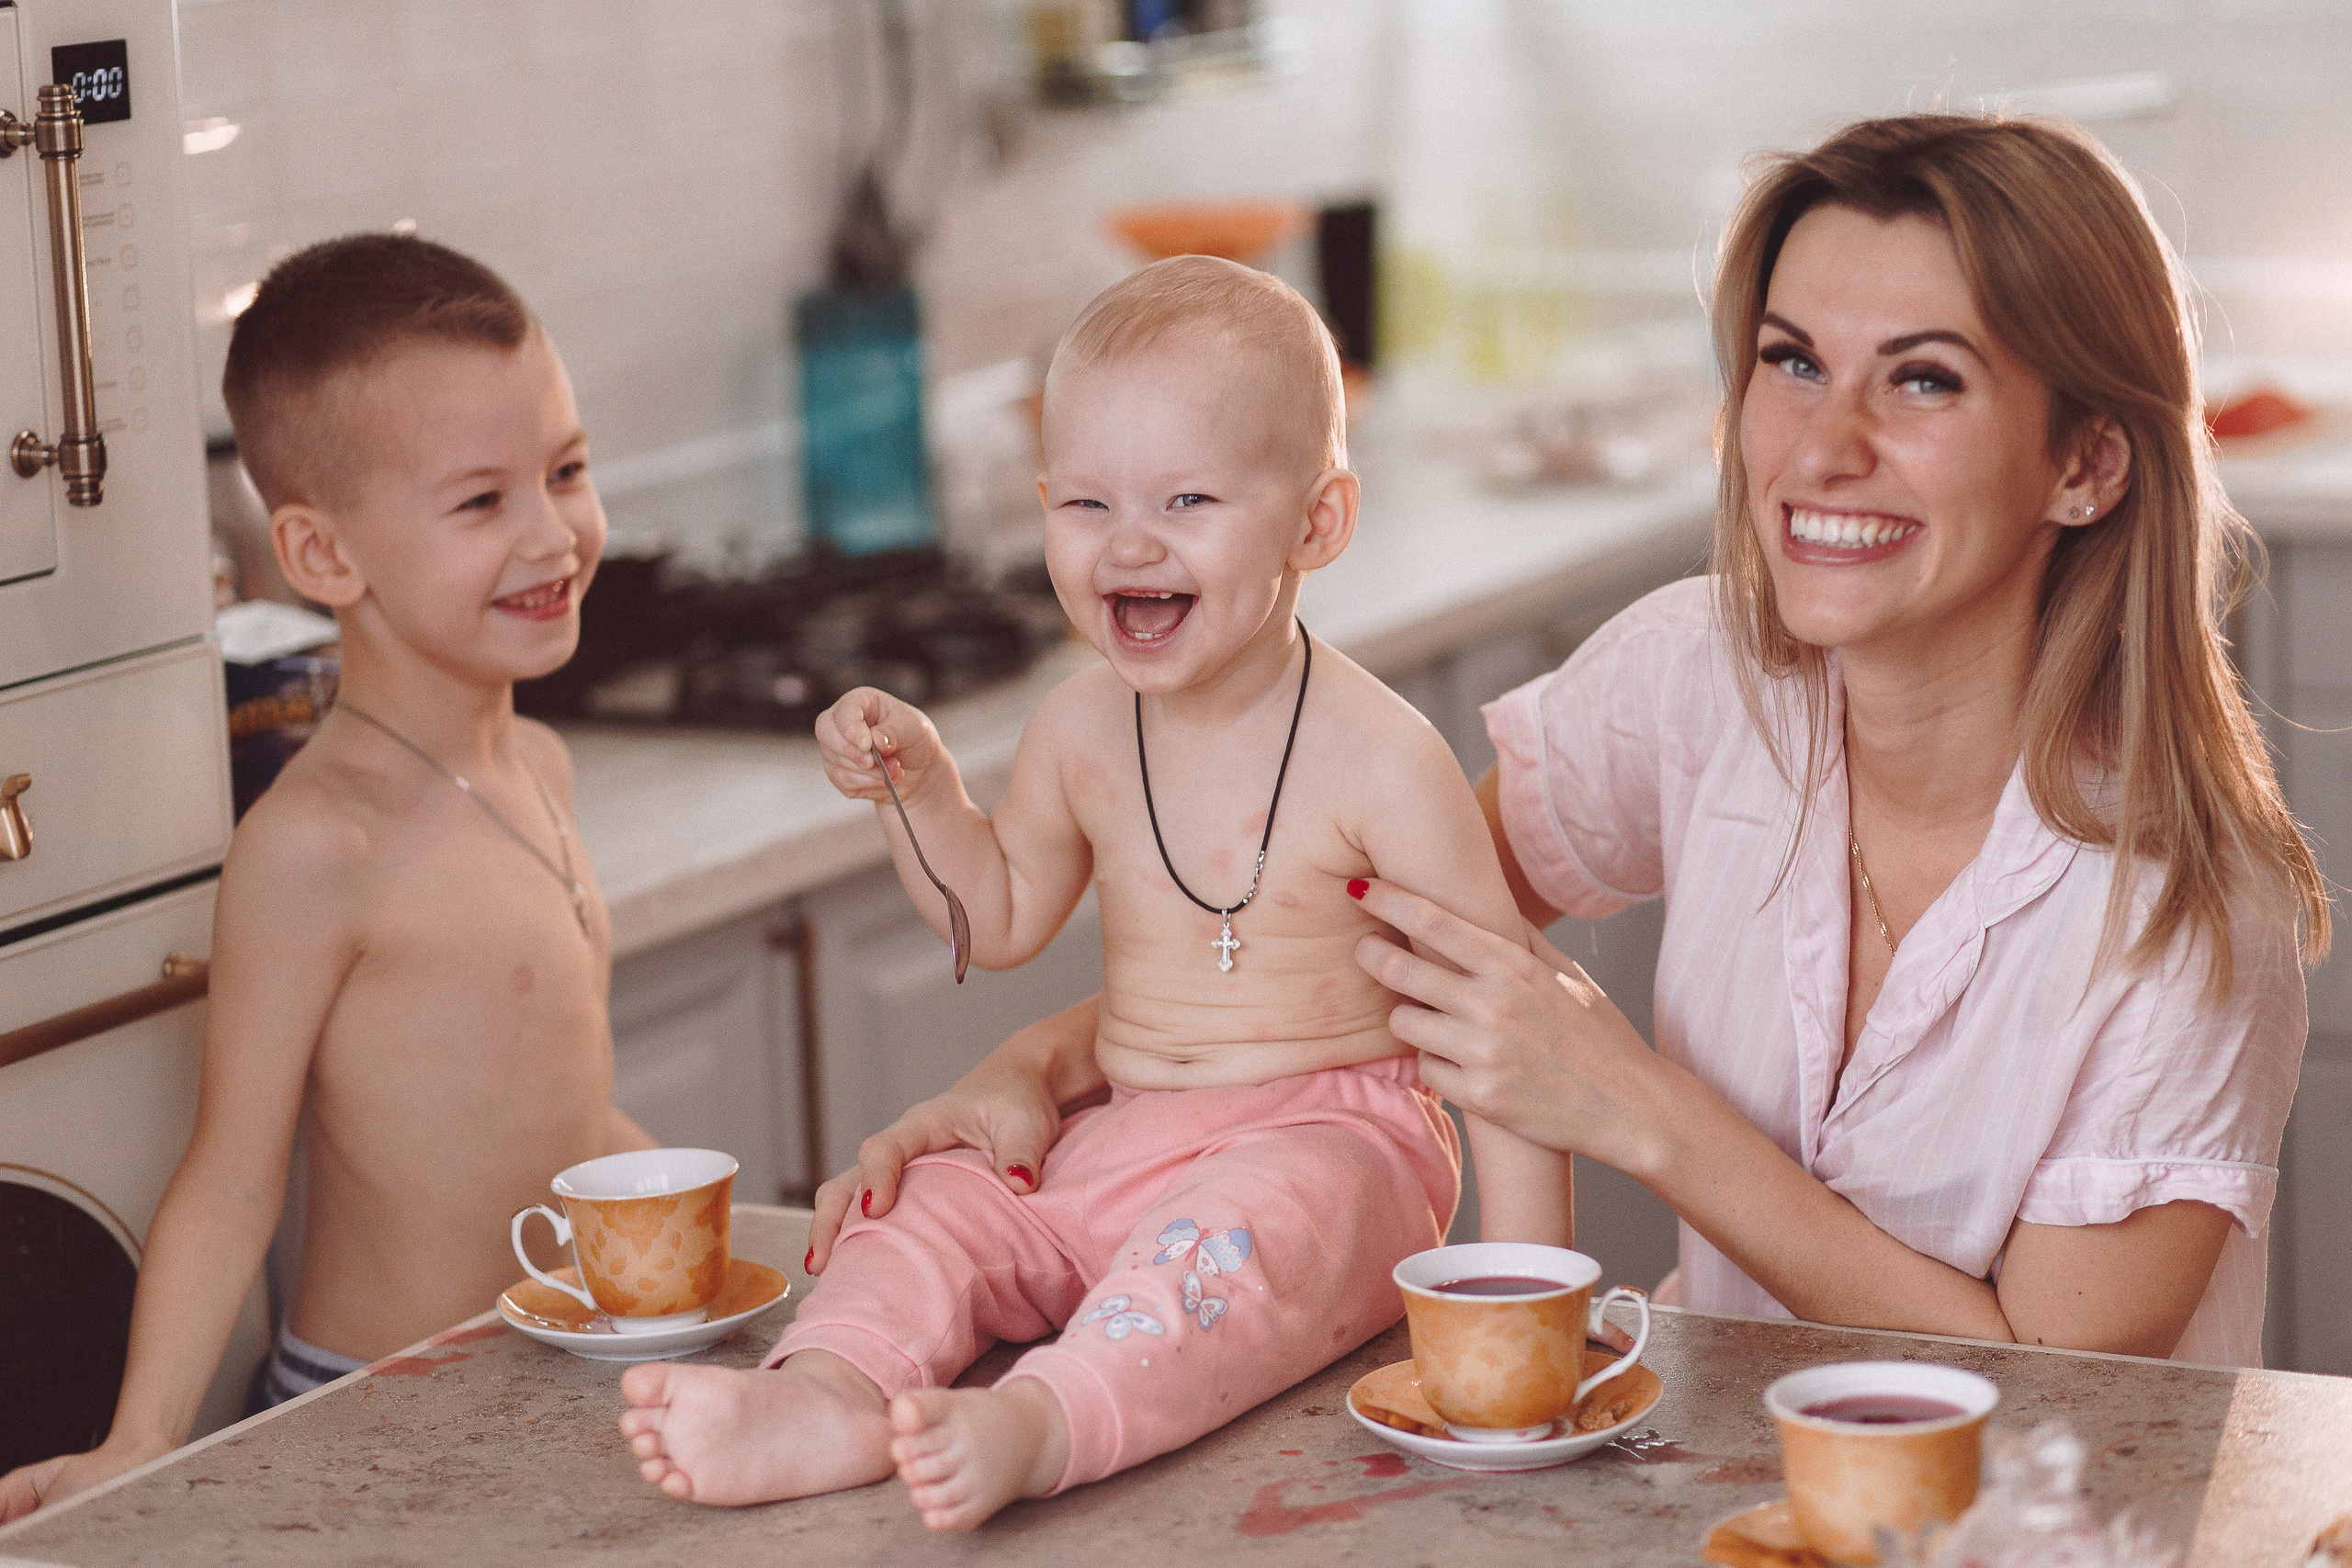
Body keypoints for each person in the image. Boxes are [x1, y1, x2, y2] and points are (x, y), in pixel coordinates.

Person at [806, 115, 2325, 1371]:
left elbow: (2060, 1383)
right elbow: (1357, 952)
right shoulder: (1696, 681)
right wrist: (1040, 1063)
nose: (1822, 444)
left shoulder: (2188, 919)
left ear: (2086, 462)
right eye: (1793, 360)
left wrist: (1640, 1110)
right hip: (1732, 1500)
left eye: (1922, 377)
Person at [616, 256, 1570, 1530]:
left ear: (1317, 523)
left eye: (1189, 499)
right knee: (938, 1202)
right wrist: (920, 791)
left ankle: (1042, 1423)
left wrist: (1525, 1310)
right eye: (1085, 502)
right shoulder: (1078, 727)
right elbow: (998, 916)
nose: (1128, 543)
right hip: (1126, 1133)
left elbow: (1506, 1033)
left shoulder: (1383, 759)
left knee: (1227, 1247)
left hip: (1335, 1147)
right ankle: (829, 1394)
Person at [0, 233, 654, 1520]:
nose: (553, 532)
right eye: (482, 502)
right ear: (320, 556)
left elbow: (553, 1115)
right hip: (380, 1411)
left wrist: (747, 1222)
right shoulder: (317, 845)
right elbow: (230, 1180)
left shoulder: (542, 765)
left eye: (566, 471)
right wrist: (141, 1439)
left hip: (548, 1373)